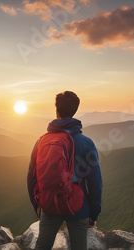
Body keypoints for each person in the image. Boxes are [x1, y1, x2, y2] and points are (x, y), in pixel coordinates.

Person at [27, 91, 103, 250]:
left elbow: (31, 177)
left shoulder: (42, 141)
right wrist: (93, 213)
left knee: (42, 246)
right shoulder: (86, 143)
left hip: (49, 204)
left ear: (57, 111)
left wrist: (38, 204)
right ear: (75, 110)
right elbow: (95, 183)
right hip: (78, 206)